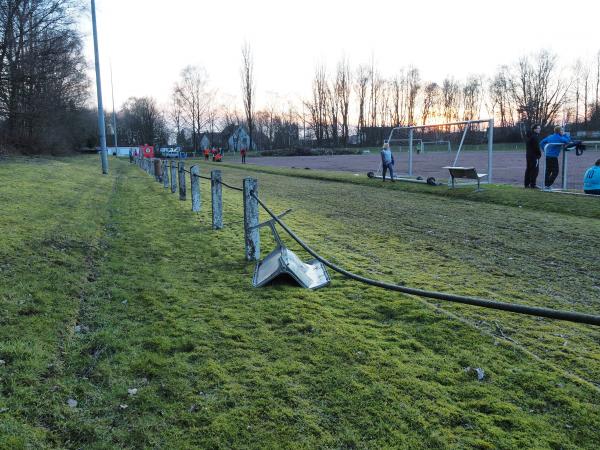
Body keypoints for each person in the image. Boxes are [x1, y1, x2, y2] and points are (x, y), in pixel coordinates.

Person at [524, 124, 541, 188]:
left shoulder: (529, 136)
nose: (540, 129)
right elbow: (536, 148)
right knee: (535, 171)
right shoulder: (534, 137)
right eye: (538, 128)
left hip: (528, 156)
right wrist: (539, 155)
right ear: (534, 129)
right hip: (534, 156)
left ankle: (526, 184)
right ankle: (533, 184)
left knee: (528, 170)